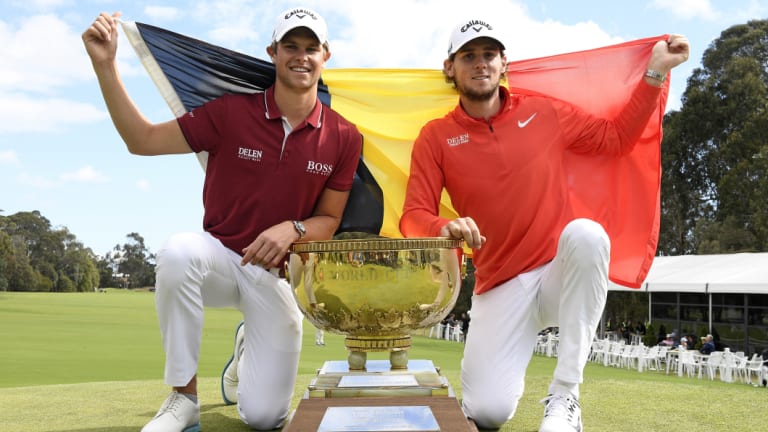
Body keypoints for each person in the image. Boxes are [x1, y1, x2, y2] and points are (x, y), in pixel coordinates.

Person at [400, 17, 689, 432]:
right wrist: (442, 226)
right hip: (498, 285)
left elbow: (615, 139)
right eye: (468, 56)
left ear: (504, 64)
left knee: (587, 235)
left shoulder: (543, 111)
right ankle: (498, 394)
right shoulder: (436, 136)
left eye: (489, 54)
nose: (480, 64)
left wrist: (655, 73)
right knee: (487, 412)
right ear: (451, 67)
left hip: (556, 273)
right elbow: (413, 216)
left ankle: (565, 394)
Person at [82, 7, 362, 432]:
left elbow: (329, 218)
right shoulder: (230, 113)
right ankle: (183, 398)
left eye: (311, 48)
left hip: (277, 276)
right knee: (177, 253)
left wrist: (294, 228)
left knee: (265, 418)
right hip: (219, 258)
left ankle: (247, 348)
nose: (301, 56)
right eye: (291, 46)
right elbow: (141, 141)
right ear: (273, 52)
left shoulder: (344, 136)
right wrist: (105, 66)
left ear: (326, 55)